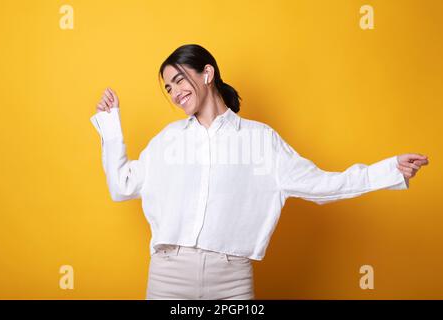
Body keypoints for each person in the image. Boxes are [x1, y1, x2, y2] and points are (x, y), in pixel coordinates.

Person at [90, 44, 429, 300]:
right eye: (168, 88)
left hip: (232, 280)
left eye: (179, 79)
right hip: (168, 277)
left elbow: (323, 185)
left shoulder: (261, 140)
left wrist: (387, 171)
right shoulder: (167, 141)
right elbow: (122, 186)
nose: (175, 93)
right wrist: (110, 127)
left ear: (207, 74)